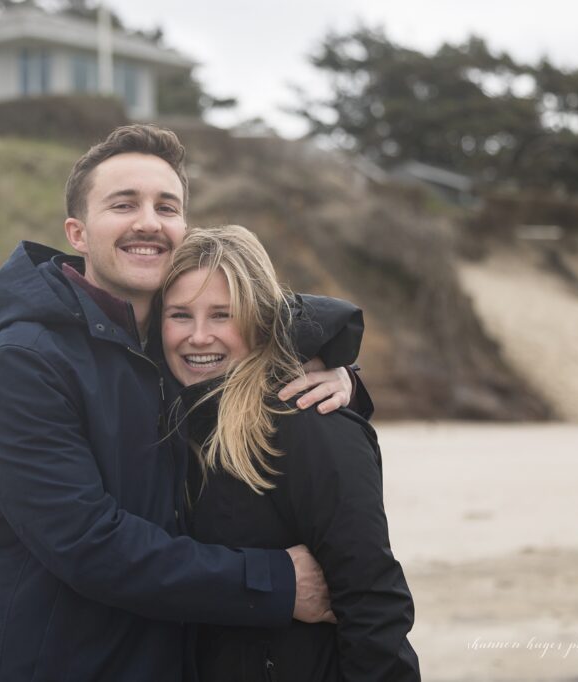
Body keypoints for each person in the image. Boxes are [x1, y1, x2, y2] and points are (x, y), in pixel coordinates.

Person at [0, 125, 361, 681]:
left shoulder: (174, 344)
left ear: (183, 230)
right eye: (124, 204)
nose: (149, 221)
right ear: (78, 233)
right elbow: (86, 542)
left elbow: (272, 314)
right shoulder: (22, 363)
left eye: (166, 207)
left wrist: (341, 374)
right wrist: (277, 583)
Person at [161, 225, 420, 681]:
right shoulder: (172, 422)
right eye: (180, 315)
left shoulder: (308, 423)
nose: (199, 336)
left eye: (222, 315)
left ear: (259, 321)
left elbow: (374, 605)